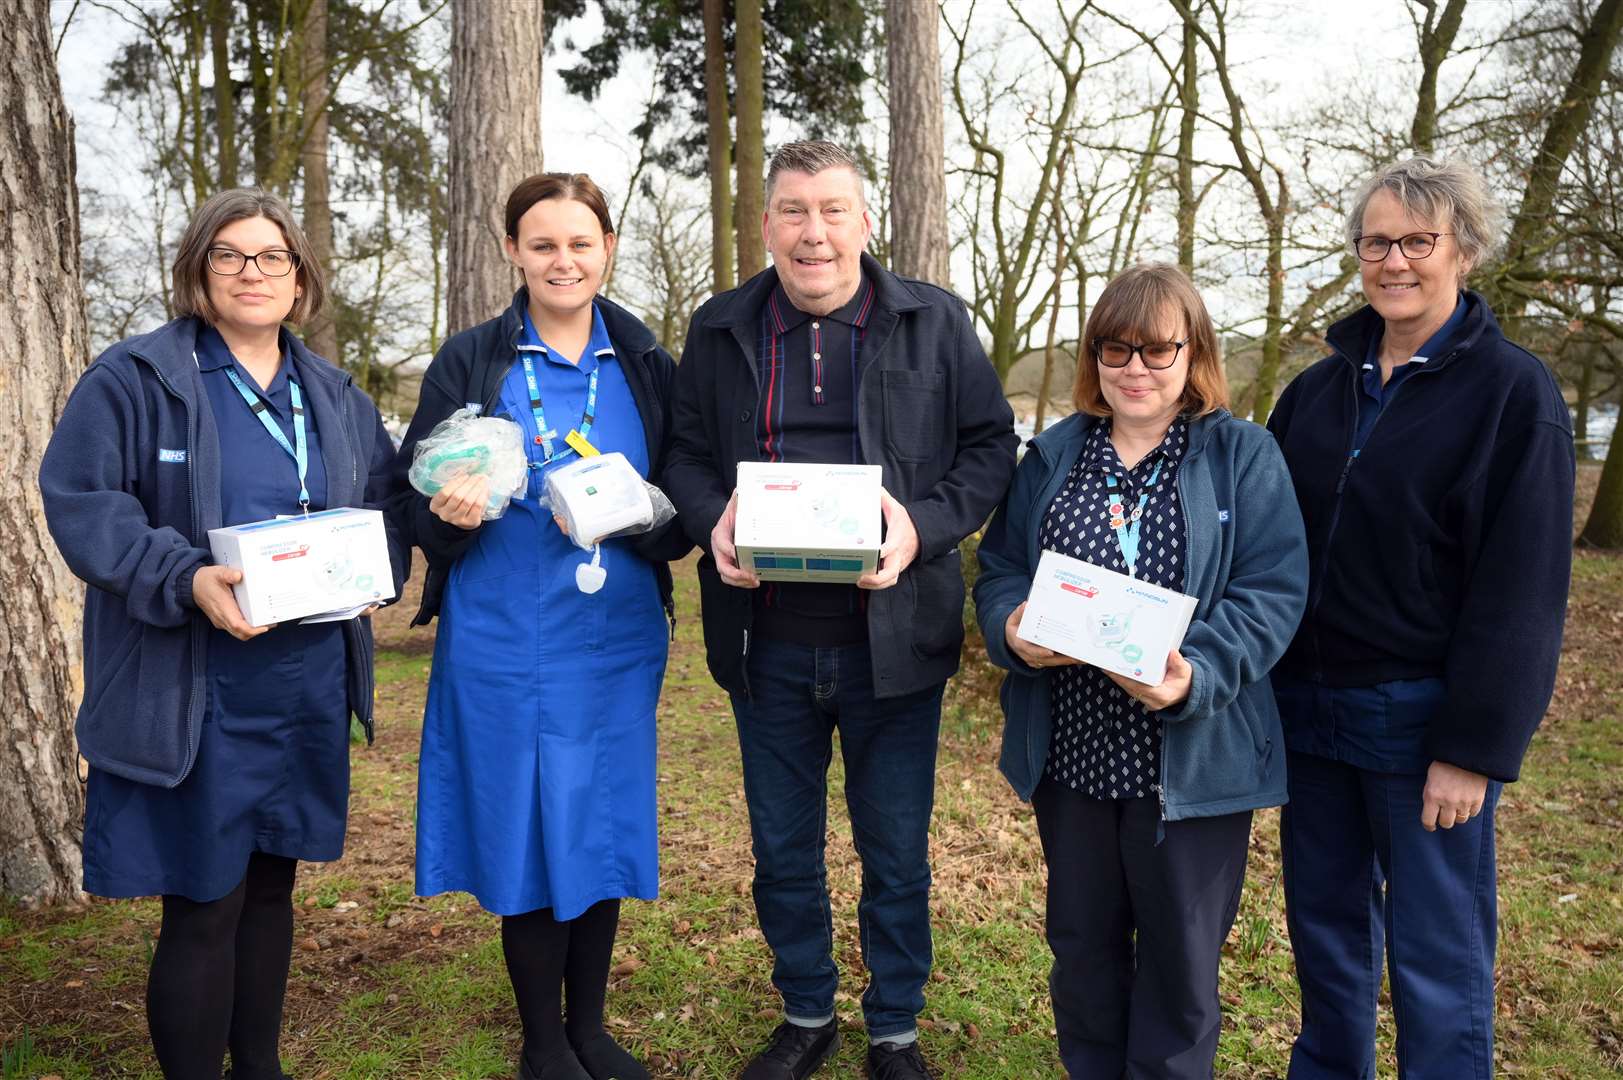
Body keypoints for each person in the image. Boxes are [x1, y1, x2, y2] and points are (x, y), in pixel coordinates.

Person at [662, 139, 1017, 1080]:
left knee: (894, 852)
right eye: (792, 211)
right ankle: (806, 1013)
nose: (812, 232)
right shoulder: (719, 328)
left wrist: (922, 530)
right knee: (782, 849)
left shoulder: (932, 323)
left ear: (865, 221)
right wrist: (715, 521)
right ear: (767, 223)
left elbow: (988, 450)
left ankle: (893, 1029)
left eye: (831, 210)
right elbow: (685, 455)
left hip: (893, 644)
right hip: (764, 640)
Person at [38, 188, 406, 1080]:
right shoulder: (136, 379)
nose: (253, 273)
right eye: (230, 256)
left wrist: (367, 574)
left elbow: (385, 503)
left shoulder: (333, 392)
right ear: (198, 271)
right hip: (192, 683)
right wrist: (184, 576)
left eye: (272, 257)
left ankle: (262, 1069)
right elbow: (84, 503)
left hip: (304, 680)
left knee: (272, 887)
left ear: (300, 278)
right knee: (204, 900)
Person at [1267, 156, 1574, 1080]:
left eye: (1416, 241)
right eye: (1375, 241)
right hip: (1308, 715)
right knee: (1325, 942)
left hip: (1420, 724)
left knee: (1435, 958)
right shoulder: (1314, 393)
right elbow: (1265, 545)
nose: (1392, 260)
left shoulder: (1513, 397)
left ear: (1463, 252)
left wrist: (1474, 747)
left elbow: (1521, 591)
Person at [973, 263, 1308, 1079]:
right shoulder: (1055, 455)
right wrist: (1011, 629)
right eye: (1115, 349)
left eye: (1158, 350)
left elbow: (1272, 590)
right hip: (1076, 754)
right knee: (1082, 948)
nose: (1135, 369)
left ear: (1192, 354)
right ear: (1093, 357)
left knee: (1179, 965)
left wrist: (1195, 674)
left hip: (1189, 759)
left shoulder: (1241, 455)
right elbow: (1000, 570)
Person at [390, 172, 689, 1080]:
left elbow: (683, 516)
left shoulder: (644, 361)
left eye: (581, 242)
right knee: (522, 822)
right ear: (513, 251)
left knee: (597, 820)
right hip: (502, 635)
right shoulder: (472, 359)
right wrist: (452, 513)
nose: (564, 260)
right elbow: (419, 511)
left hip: (614, 637)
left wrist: (640, 514)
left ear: (606, 248)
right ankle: (541, 1039)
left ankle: (591, 1028)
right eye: (543, 243)